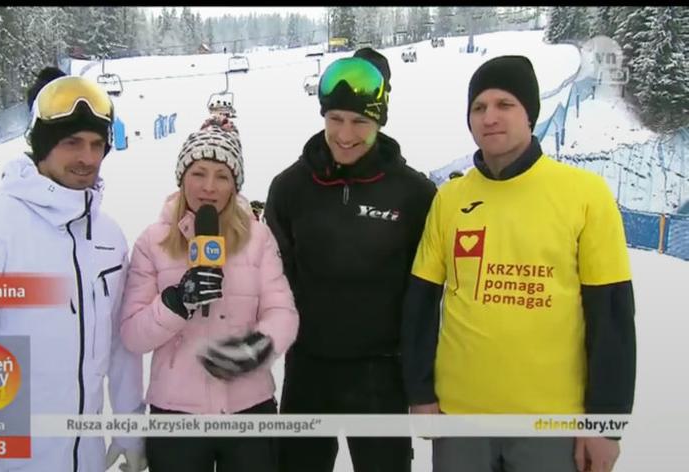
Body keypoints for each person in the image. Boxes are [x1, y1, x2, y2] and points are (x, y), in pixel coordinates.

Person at [401, 55, 636, 472]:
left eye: (504, 105)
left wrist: (606, 423)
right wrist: (420, 393)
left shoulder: (584, 194)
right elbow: (420, 305)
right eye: (479, 107)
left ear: (529, 113)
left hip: (550, 422)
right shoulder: (450, 199)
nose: (490, 117)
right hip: (460, 418)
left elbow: (612, 317)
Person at [0, 67, 146, 472]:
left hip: (88, 461)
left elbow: (120, 346)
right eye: (72, 143)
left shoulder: (109, 236)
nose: (87, 158)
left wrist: (130, 426)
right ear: (41, 146)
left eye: (97, 144)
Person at [264, 47, 437, 472]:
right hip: (308, 369)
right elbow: (272, 282)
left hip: (381, 375)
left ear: (379, 120)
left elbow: (428, 297)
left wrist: (422, 382)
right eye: (335, 119)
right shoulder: (290, 188)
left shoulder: (413, 194)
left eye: (360, 121)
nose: (345, 134)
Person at [118, 115, 299, 472]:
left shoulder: (258, 238)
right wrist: (175, 302)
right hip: (177, 415)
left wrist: (251, 351)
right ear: (182, 178)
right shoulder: (151, 242)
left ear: (235, 185)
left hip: (249, 408)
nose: (209, 187)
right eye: (198, 173)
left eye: (222, 176)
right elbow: (132, 334)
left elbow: (283, 314)